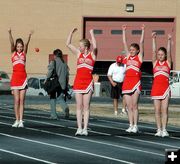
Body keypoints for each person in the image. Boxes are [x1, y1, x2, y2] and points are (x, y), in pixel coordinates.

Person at [66, 28, 97, 136]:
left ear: (86, 47)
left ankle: (85, 128)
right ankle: (79, 128)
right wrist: (71, 33)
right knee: (79, 106)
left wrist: (92, 33)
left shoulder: (92, 55)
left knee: (86, 106)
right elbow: (68, 44)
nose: (79, 47)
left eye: (81, 46)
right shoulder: (79, 53)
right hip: (78, 82)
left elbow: (96, 47)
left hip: (88, 83)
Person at [122, 24, 145, 133]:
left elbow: (141, 43)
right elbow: (124, 42)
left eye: (133, 50)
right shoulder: (127, 57)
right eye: (130, 50)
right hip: (126, 83)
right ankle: (130, 125)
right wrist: (124, 31)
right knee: (129, 106)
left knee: (135, 105)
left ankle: (136, 125)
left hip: (135, 82)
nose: (131, 51)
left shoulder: (139, 57)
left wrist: (143, 31)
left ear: (137, 51)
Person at [8, 28, 33, 128]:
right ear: (16, 47)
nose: (19, 48)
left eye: (21, 47)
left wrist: (29, 36)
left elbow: (27, 44)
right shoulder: (13, 53)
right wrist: (10, 33)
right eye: (18, 46)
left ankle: (21, 120)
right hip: (15, 79)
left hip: (23, 79)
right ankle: (17, 119)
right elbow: (11, 42)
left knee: (22, 101)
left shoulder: (24, 54)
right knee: (16, 101)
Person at [151, 32, 172, 137]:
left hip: (165, 89)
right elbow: (153, 51)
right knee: (157, 110)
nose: (160, 56)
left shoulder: (168, 63)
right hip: (156, 89)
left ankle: (164, 129)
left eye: (162, 54)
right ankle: (158, 129)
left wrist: (168, 40)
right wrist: (153, 39)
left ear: (165, 55)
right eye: (159, 55)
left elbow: (169, 51)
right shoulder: (155, 63)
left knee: (165, 110)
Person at [46, 49, 70, 119]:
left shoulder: (53, 62)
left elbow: (49, 73)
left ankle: (53, 115)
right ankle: (65, 107)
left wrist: (46, 79)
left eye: (54, 55)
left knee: (52, 97)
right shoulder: (65, 64)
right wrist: (66, 84)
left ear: (55, 55)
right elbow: (67, 75)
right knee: (60, 98)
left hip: (54, 83)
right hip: (63, 84)